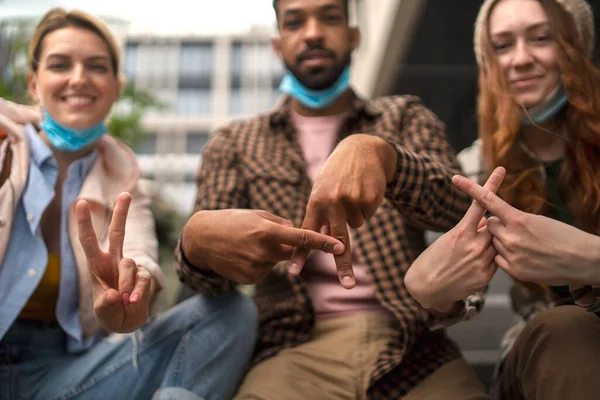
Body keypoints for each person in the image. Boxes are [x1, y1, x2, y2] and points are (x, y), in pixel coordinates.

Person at [175, 0, 491, 398]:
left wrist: (385, 157)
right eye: (295, 22)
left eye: (329, 17)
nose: (312, 33)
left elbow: (460, 208)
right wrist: (194, 244)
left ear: (353, 36)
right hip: (292, 350)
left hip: (414, 344)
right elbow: (205, 278)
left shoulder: (404, 116)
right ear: (278, 44)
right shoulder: (234, 144)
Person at [0, 8, 258, 400]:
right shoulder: (5, 143)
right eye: (59, 64)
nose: (79, 78)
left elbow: (140, 263)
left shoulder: (124, 179)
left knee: (229, 313)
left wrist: (127, 298)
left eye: (96, 67)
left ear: (116, 87)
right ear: (34, 85)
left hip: (64, 374)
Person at [405, 0, 600, 399]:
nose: (521, 59)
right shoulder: (476, 169)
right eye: (502, 46)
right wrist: (436, 295)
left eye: (541, 38)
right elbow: (465, 293)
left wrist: (592, 258)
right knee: (564, 329)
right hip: (547, 358)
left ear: (576, 46)